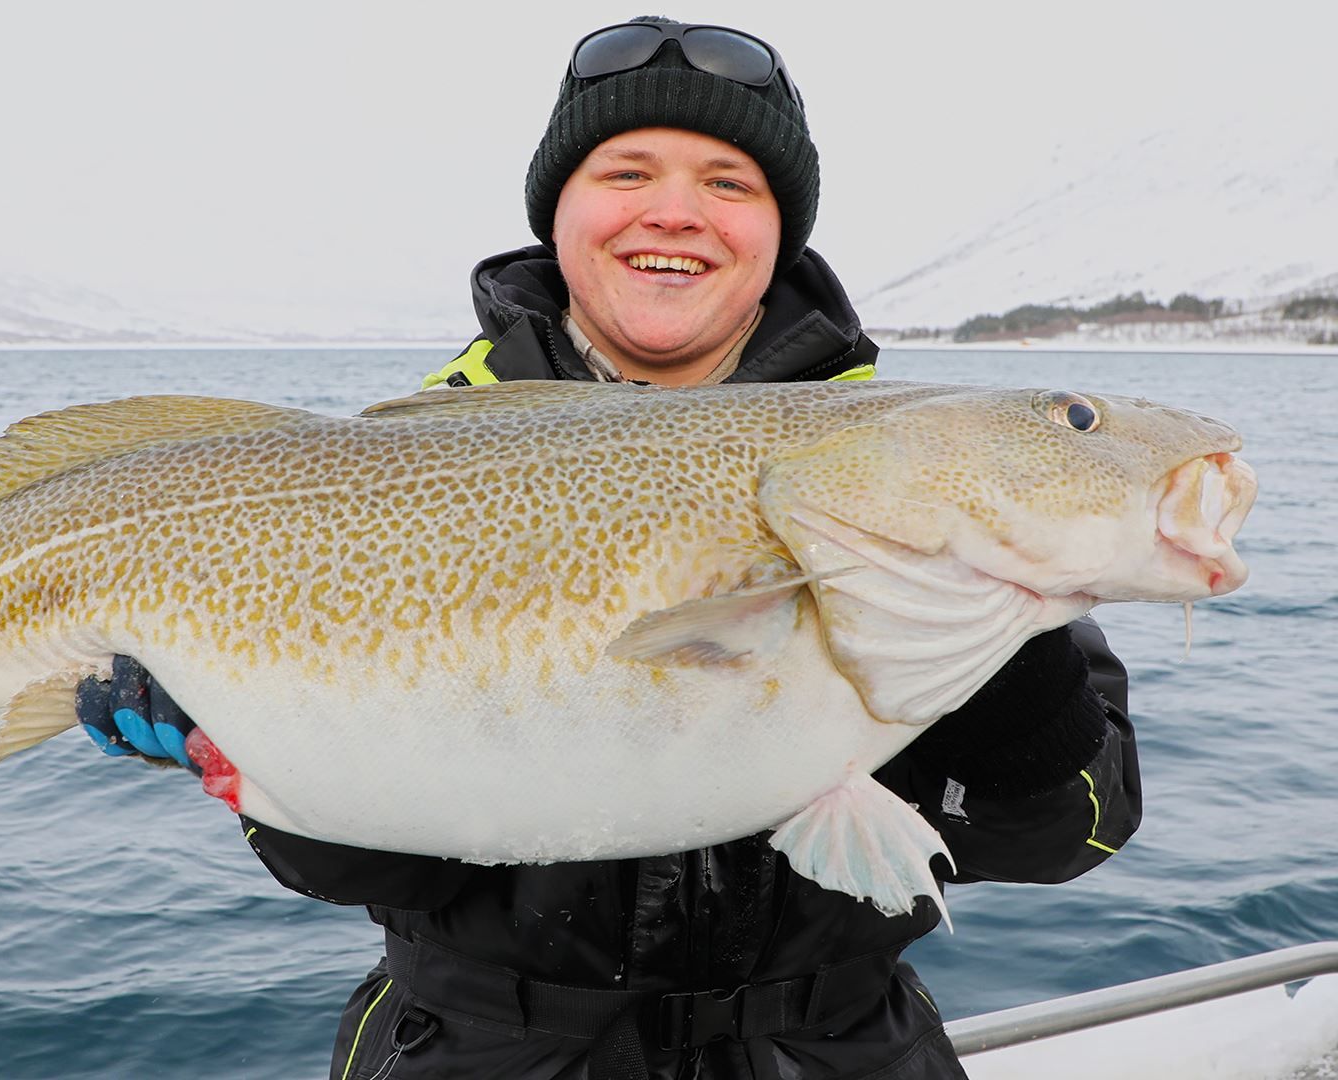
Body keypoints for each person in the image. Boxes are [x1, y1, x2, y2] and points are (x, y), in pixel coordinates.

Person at [78, 17, 1140, 1079]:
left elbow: (1078, 836)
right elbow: (350, 866)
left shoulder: (914, 467)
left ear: (781, 232)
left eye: (729, 183)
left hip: (843, 1051)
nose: (674, 212)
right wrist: (237, 738)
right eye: (626, 170)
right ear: (559, 214)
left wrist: (1013, 685)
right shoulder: (411, 463)